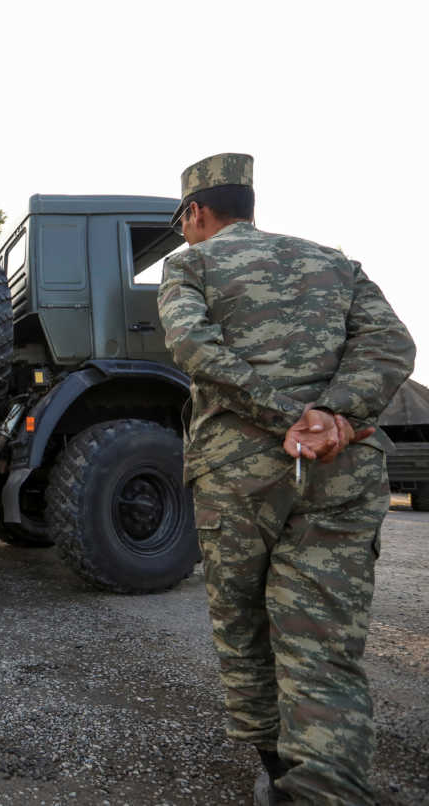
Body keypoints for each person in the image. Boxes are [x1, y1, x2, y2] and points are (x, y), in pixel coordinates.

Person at [157, 153, 415, 805]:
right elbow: (391, 345)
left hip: (239, 474)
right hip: (343, 465)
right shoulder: (334, 262)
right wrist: (331, 415)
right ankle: (327, 788)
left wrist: (283, 415)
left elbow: (195, 350)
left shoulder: (189, 264)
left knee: (245, 627)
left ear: (196, 213)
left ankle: (276, 772)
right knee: (322, 638)